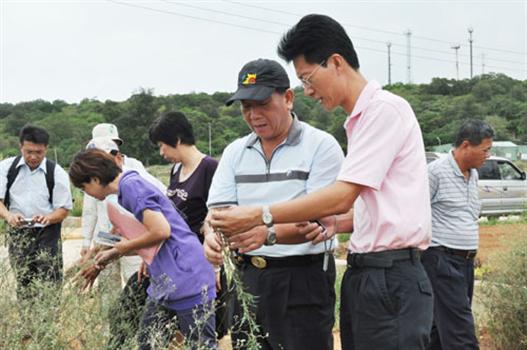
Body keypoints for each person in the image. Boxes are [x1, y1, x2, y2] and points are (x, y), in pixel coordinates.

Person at [210, 15, 434, 350]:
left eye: (308, 78)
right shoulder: (356, 122)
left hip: (390, 274)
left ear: (336, 63)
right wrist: (329, 223)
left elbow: (342, 196)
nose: (308, 90)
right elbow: (360, 209)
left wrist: (261, 216)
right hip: (366, 270)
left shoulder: (384, 111)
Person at [204, 58, 345, 350]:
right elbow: (218, 212)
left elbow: (322, 218)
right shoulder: (234, 152)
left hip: (302, 278)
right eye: (246, 107)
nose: (254, 115)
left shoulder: (320, 146)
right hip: (248, 278)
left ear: (289, 98)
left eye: (263, 104)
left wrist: (267, 231)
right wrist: (210, 234)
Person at [69, 149, 217, 350]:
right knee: (148, 341)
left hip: (186, 275)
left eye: (83, 187)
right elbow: (138, 236)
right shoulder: (123, 191)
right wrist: (109, 253)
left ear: (95, 179)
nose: (85, 193)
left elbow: (161, 230)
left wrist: (122, 248)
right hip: (165, 280)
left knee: (200, 345)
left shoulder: (131, 187)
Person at [422, 120, 494, 350]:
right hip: (441, 259)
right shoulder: (435, 173)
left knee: (440, 328)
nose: (488, 155)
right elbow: (416, 212)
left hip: (464, 262)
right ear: (465, 146)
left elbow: (467, 215)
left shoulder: (473, 175)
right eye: (485, 150)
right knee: (461, 333)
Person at [81, 134, 166, 288]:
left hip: (147, 246)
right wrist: (97, 251)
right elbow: (97, 217)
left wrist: (148, 256)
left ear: (117, 157)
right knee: (110, 290)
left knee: (136, 283)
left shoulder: (131, 182)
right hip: (112, 238)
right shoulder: (107, 187)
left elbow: (159, 229)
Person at [0, 125, 72, 301]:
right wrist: (9, 216)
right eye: (28, 151)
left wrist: (48, 217)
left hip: (47, 232)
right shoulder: (7, 168)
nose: (33, 157)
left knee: (51, 280)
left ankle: (49, 321)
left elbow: (64, 209)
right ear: (20, 147)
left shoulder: (57, 173)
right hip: (18, 231)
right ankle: (28, 323)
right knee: (24, 279)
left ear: (46, 148)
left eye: (38, 152)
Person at [149, 111, 218, 243]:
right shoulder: (176, 169)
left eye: (161, 145)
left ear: (177, 139)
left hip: (200, 250)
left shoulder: (209, 167)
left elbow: (219, 211)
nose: (161, 152)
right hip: (178, 248)